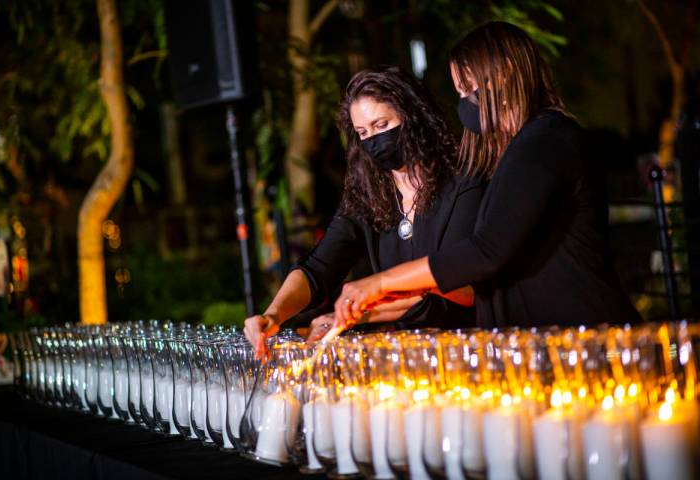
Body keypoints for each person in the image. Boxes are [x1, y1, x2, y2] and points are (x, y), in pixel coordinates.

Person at [332, 22, 640, 330]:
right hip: (546, 343)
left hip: (589, 340)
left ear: (504, 73)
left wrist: (381, 283)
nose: (465, 101)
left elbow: (486, 251)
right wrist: (371, 305)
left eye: (468, 88)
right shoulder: (518, 149)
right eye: (460, 92)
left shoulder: (546, 141)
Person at [244, 66, 484, 354]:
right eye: (363, 133)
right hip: (410, 356)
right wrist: (274, 315)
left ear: (414, 117)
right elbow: (318, 269)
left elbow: (459, 285)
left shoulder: (463, 184)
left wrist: (356, 311)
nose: (374, 140)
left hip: (473, 349)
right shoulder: (369, 194)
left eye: (381, 126)